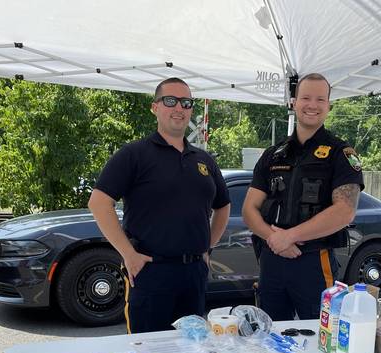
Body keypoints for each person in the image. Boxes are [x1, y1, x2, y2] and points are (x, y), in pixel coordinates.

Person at [88, 77, 230, 333]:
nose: (179, 108)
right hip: (151, 272)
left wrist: (208, 247)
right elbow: (99, 203)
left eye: (186, 103)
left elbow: (223, 206)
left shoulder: (204, 159)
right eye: (170, 101)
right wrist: (128, 254)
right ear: (155, 107)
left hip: (194, 274)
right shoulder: (134, 154)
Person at [242, 73, 363, 321]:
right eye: (306, 97)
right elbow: (249, 209)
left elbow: (345, 211)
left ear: (328, 106)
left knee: (322, 334)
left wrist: (290, 237)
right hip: (272, 259)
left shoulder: (341, 153)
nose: (312, 105)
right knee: (268, 336)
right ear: (294, 102)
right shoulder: (273, 155)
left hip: (314, 262)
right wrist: (274, 239)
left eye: (320, 99)